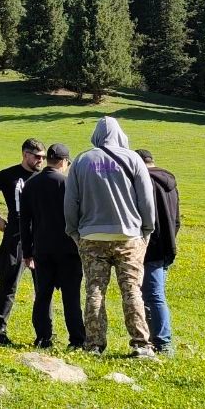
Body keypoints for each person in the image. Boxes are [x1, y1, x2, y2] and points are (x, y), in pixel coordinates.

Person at [64, 116, 157, 359]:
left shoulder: (82, 160)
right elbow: (146, 199)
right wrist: (147, 229)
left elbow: (70, 201)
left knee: (94, 290)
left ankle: (94, 345)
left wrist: (73, 231)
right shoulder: (133, 159)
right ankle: (141, 344)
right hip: (128, 236)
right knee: (132, 290)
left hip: (91, 236)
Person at [0, 137, 46, 344]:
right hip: (15, 238)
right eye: (37, 157)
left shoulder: (44, 178)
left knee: (42, 287)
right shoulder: (8, 175)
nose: (41, 161)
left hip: (39, 238)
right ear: (25, 154)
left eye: (43, 157)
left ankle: (44, 334)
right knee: (8, 285)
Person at [19, 143, 85, 350]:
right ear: (64, 162)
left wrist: (27, 252)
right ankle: (76, 339)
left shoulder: (31, 184)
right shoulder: (68, 184)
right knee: (71, 296)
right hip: (69, 250)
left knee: (43, 295)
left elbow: (24, 221)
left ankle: (43, 337)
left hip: (42, 249)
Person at [135, 148, 180, 356]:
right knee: (154, 294)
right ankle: (157, 339)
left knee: (153, 295)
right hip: (168, 245)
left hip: (150, 246)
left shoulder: (146, 181)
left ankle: (163, 343)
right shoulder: (170, 182)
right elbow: (177, 219)